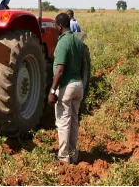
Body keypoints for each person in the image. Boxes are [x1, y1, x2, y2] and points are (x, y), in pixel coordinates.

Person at [48, 13, 84, 164]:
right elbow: (83, 66)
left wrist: (52, 90)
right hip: (78, 86)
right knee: (74, 121)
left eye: (56, 26)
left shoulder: (63, 42)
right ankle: (73, 155)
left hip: (67, 87)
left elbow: (60, 69)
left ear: (59, 26)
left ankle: (63, 157)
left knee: (63, 122)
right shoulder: (77, 40)